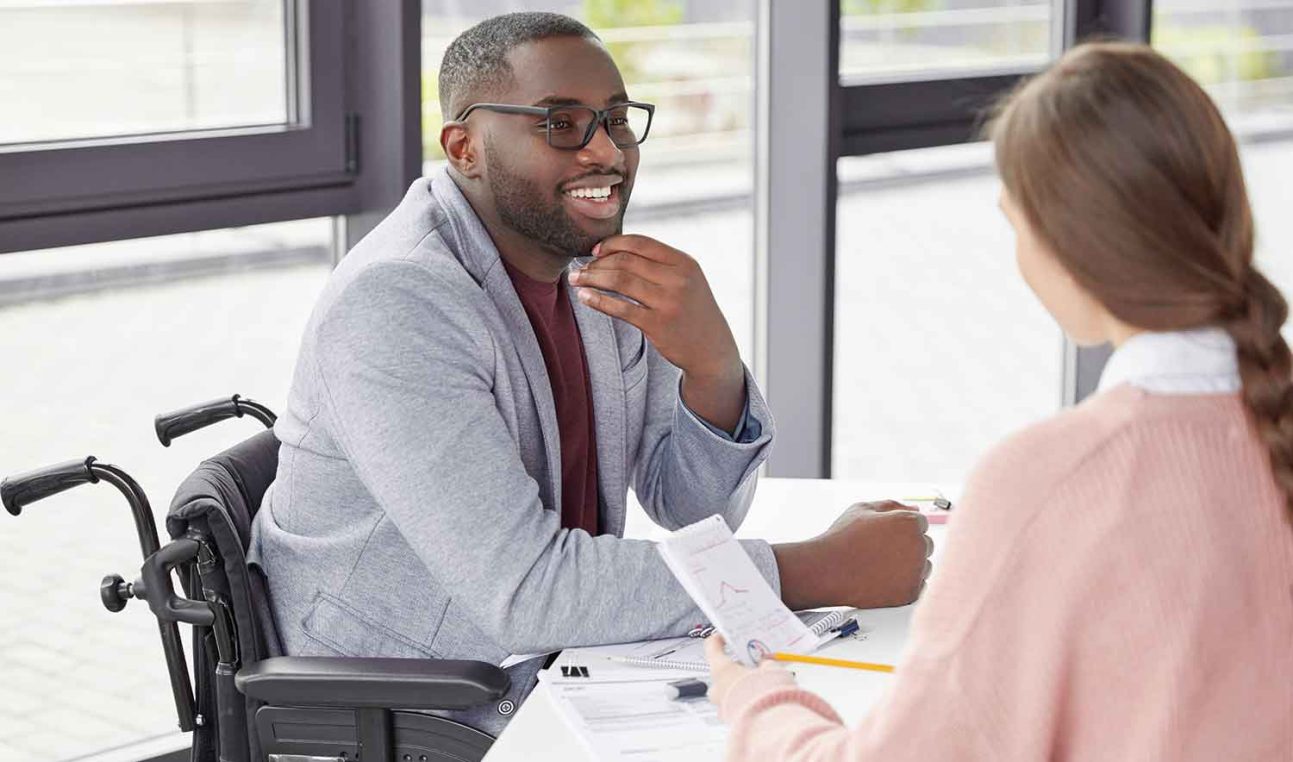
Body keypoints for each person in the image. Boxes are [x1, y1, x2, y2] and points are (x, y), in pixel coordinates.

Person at [249, 12, 931, 736]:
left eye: (614, 119)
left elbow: (691, 511)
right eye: (560, 124)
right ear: (464, 146)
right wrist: (818, 570)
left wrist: (712, 365)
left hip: (561, 653)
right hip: (421, 700)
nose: (606, 150)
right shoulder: (398, 303)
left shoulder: (586, 272)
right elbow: (527, 592)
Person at [705, 41, 1293, 761]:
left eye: (1013, 223)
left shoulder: (1049, 481)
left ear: (1065, 241)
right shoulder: (1264, 422)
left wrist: (755, 696)